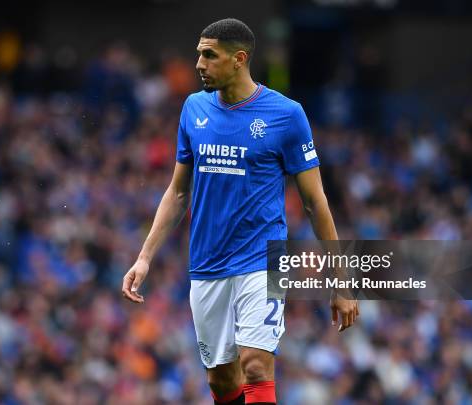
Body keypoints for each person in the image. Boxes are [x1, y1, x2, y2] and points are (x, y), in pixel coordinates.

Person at [122, 18, 359, 405]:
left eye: (209, 55)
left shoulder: (286, 115)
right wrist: (145, 257)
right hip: (207, 262)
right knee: (222, 380)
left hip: (263, 259)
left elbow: (316, 202)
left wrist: (340, 279)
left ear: (239, 59)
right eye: (199, 53)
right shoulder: (193, 109)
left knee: (255, 367)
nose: (198, 63)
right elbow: (179, 191)